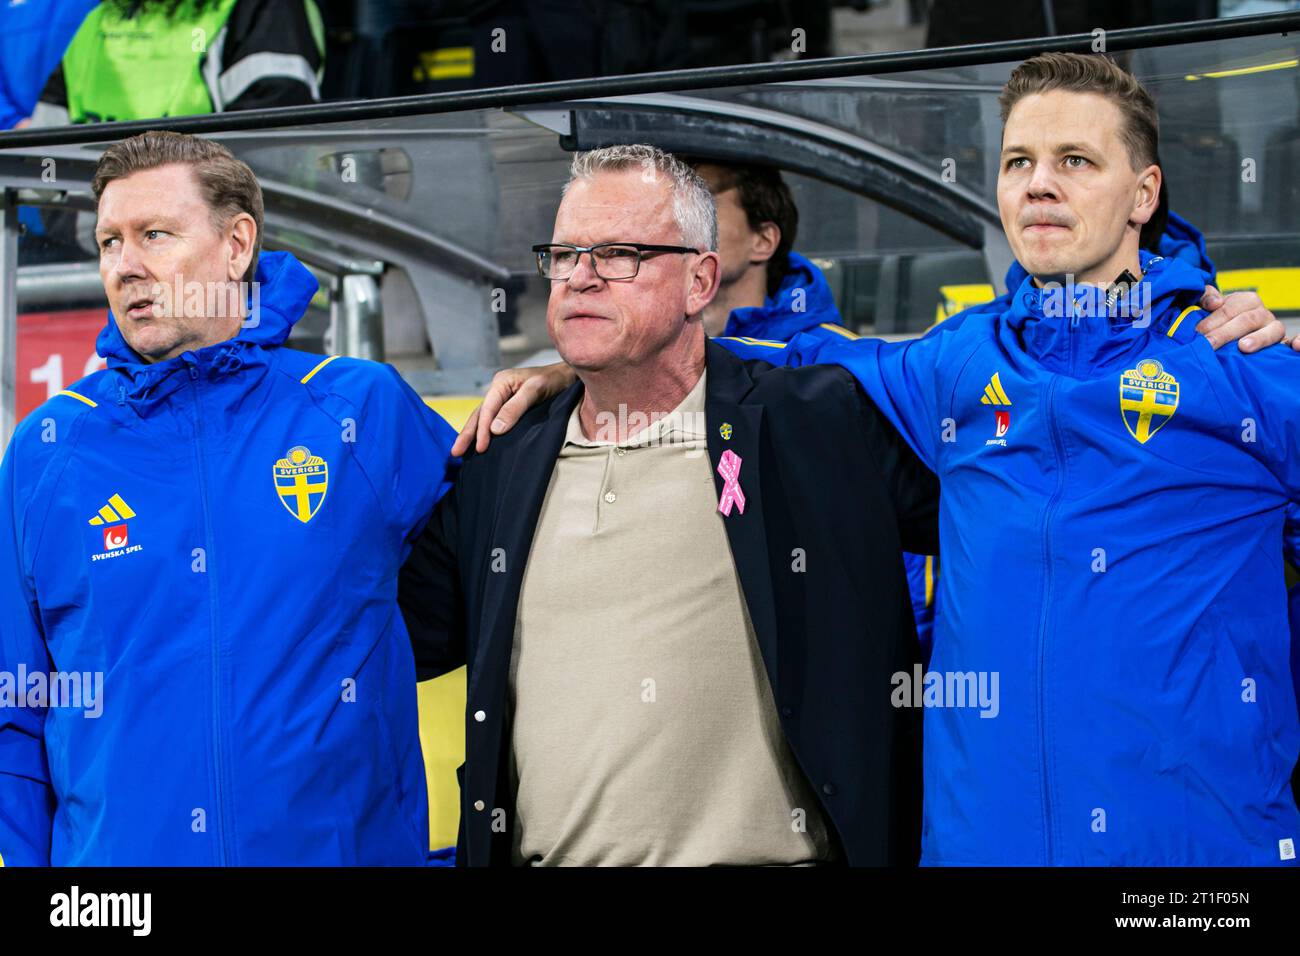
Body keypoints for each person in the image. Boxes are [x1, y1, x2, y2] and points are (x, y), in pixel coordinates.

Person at [718, 52, 1300, 865]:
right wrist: (589, 366)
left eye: (1075, 161)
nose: (1038, 184)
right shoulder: (956, 361)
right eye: (1018, 161)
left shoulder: (1242, 368)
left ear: (1144, 194)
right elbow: (784, 359)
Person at [398, 144, 939, 866]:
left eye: (619, 253)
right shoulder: (502, 459)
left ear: (700, 280)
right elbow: (388, 636)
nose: (580, 277)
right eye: (563, 255)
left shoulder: (815, 425)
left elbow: (1006, 518)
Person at [0, 130, 456, 866]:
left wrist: (560, 388)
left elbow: (513, 597)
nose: (126, 267)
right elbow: (11, 713)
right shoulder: (48, 449)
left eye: (155, 235)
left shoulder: (357, 412)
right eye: (110, 241)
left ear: (237, 244)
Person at [28, 0, 324, 127]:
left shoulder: (263, 7)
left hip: (233, 243)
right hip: (96, 240)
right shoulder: (93, 18)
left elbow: (270, 143)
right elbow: (44, 167)